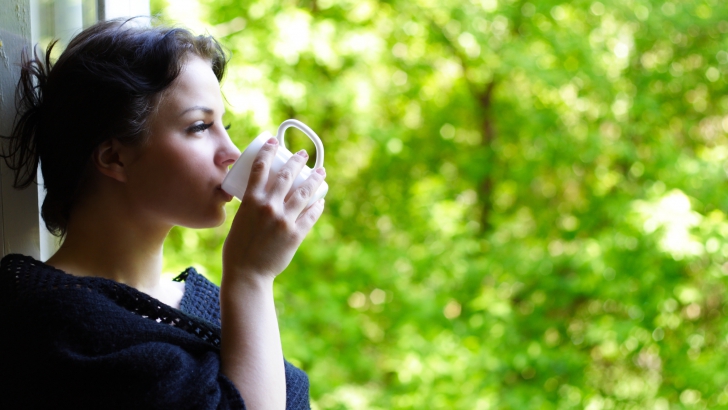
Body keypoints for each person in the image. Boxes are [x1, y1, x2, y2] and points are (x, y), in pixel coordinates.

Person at [0, 18, 325, 410]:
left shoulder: (206, 303)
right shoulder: (45, 321)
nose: (233, 153)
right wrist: (251, 276)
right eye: (200, 127)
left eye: (225, 125)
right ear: (114, 157)